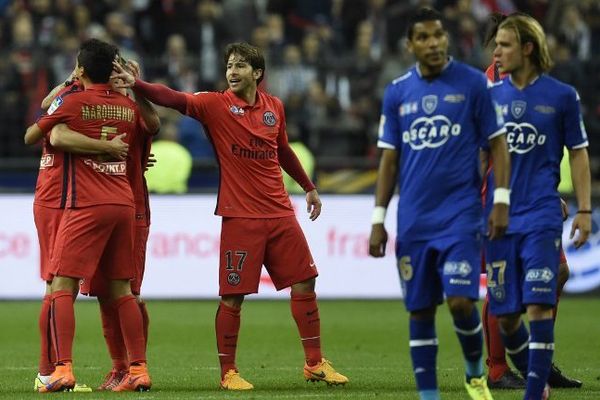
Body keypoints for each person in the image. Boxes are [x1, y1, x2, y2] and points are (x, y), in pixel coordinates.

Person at [112, 42, 348, 390]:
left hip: (280, 212)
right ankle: (228, 374)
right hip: (241, 217)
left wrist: (308, 186)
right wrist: (138, 84)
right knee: (232, 296)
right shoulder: (215, 105)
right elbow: (173, 98)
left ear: (258, 73)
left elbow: (282, 149)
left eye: (240, 66)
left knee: (305, 282)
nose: (232, 72)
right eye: (229, 66)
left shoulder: (274, 108)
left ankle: (314, 364)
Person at [368, 7, 510, 400]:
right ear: (410, 44)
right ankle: (429, 396)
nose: (433, 44)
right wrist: (378, 218)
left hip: (461, 215)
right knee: (420, 311)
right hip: (414, 219)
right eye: (424, 38)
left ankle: (474, 373)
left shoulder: (472, 84)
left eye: (438, 36)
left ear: (446, 38)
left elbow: (498, 143)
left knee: (462, 301)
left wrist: (500, 199)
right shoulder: (397, 91)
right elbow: (389, 159)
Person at [24, 38, 151, 392]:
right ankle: (137, 368)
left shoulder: (73, 101)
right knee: (122, 288)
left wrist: (99, 143)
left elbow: (39, 133)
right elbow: (150, 125)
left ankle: (55, 369)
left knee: (59, 285)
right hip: (122, 201)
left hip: (80, 201)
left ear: (81, 69)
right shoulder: (128, 107)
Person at [484, 12, 591, 400]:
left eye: (504, 44)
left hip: (543, 214)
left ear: (527, 48)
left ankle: (534, 388)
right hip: (498, 214)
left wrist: (583, 209)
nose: (496, 51)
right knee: (507, 313)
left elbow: (578, 154)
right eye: (495, 44)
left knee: (539, 303)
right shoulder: (490, 96)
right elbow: (481, 157)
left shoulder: (562, 96)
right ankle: (522, 366)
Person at [66, 58, 159, 391]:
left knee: (128, 292)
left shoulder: (132, 109)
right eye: (114, 73)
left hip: (132, 210)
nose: (119, 78)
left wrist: (137, 85)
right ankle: (120, 367)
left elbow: (154, 124)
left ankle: (137, 366)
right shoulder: (93, 106)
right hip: (97, 205)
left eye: (125, 73)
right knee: (104, 294)